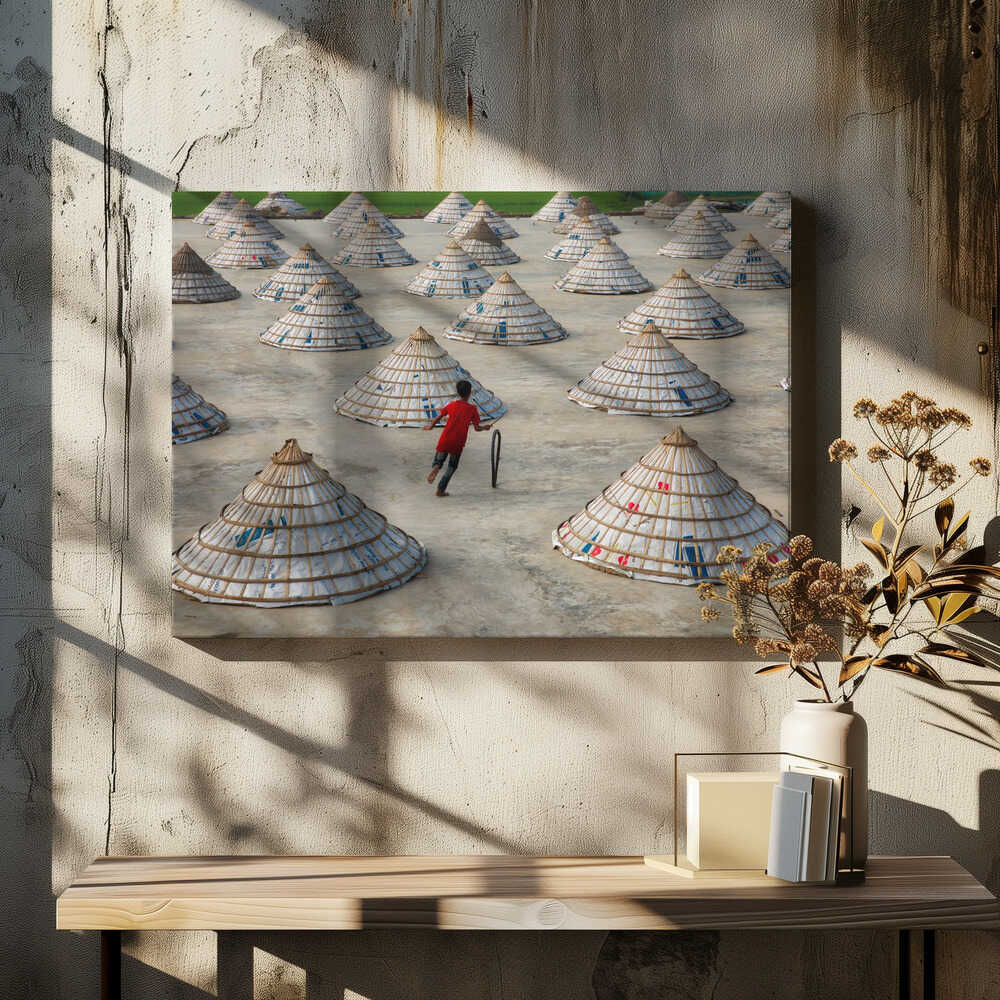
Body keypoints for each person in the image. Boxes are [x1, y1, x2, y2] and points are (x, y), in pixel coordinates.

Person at [423, 379, 493, 497]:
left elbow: (440, 416)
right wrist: (485, 428)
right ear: (469, 393)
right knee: (451, 466)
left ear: (458, 392)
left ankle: (436, 468)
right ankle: (440, 490)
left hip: (445, 438)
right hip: (458, 442)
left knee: (439, 461)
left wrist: (431, 426)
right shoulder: (472, 409)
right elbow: (477, 428)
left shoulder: (452, 405)